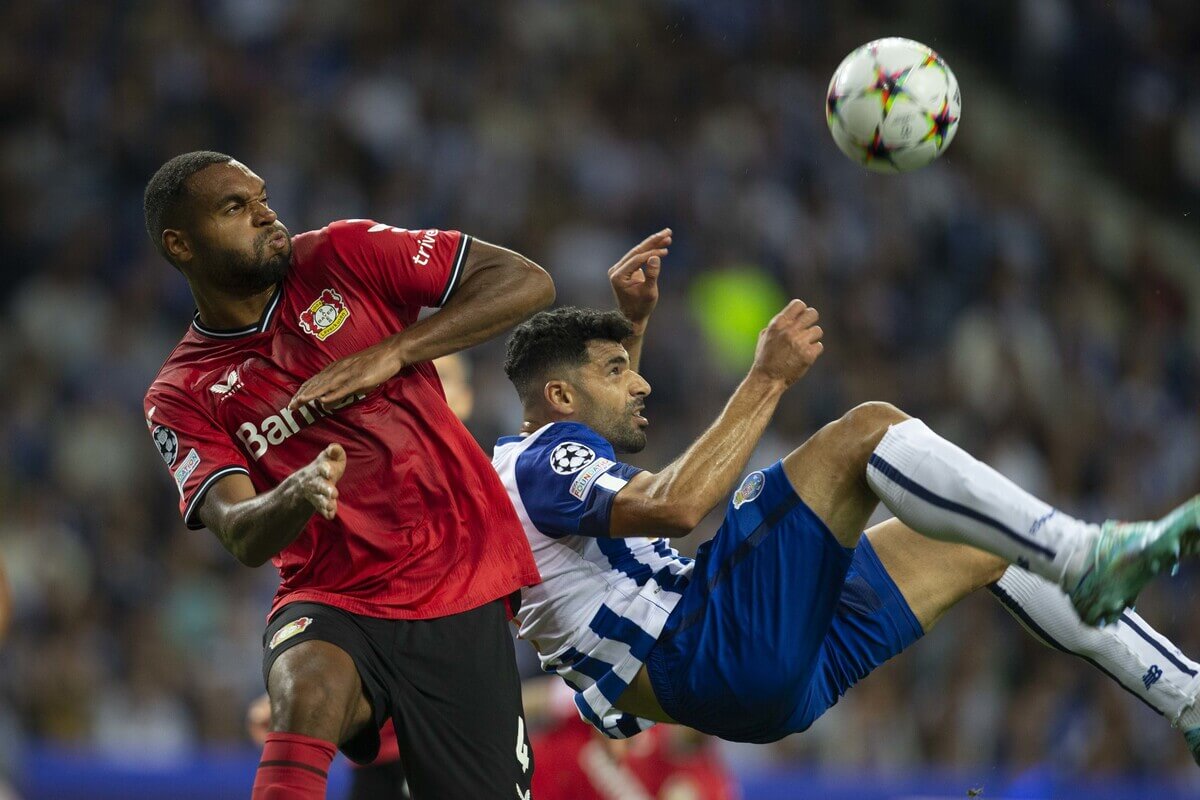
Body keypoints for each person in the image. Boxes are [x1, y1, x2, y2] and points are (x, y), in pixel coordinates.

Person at [489, 229, 1200, 762]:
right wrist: (765, 377)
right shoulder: (540, 461)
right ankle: (1085, 554)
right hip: (706, 644)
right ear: (558, 396)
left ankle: (1186, 696)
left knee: (986, 538)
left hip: (740, 678)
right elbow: (676, 506)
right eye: (616, 370)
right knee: (863, 433)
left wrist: (631, 326)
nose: (639, 382)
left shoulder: (541, 475)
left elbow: (609, 472)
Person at [142, 151, 554, 799]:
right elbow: (239, 533)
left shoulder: (342, 255)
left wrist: (392, 352)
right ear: (180, 243)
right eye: (235, 208)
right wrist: (297, 494)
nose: (265, 215)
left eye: (261, 198)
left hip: (459, 579)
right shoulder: (182, 392)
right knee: (307, 686)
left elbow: (527, 282)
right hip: (331, 594)